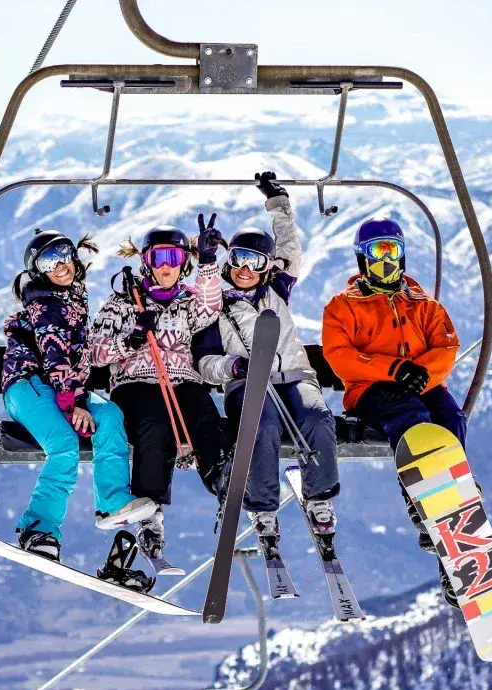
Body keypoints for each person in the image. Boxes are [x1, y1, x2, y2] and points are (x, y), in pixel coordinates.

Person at [194, 172, 340, 560]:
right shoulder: (215, 305)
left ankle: (320, 498)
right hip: (248, 385)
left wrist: (278, 203)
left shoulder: (276, 289)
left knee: (317, 418)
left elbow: (291, 247)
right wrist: (233, 368)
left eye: (254, 261)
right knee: (263, 426)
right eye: (238, 258)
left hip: (295, 376)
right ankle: (263, 508)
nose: (245, 268)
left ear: (266, 265)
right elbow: (203, 364)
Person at [1, 229, 157, 567]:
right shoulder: (44, 304)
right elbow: (55, 355)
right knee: (64, 446)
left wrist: (81, 395)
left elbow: (80, 356)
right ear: (38, 271)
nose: (59, 265)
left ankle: (113, 501)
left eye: (62, 253)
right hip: (28, 386)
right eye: (48, 261)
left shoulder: (74, 297)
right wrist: (74, 404)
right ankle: (38, 529)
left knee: (111, 415)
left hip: (67, 387)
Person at [322, 217, 465, 556]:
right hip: (371, 390)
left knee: (451, 417)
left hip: (419, 384)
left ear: (402, 255)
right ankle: (422, 500)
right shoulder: (344, 306)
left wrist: (420, 375)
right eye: (377, 251)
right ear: (363, 258)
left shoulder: (422, 303)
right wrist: (393, 370)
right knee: (411, 417)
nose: (386, 260)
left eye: (392, 250)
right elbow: (339, 356)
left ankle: (454, 492)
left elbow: (446, 347)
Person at [90, 217, 225, 568]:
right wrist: (130, 339)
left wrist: (209, 263)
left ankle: (222, 479)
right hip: (137, 382)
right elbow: (94, 352)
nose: (166, 267)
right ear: (145, 262)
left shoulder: (187, 300)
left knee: (206, 418)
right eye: (158, 258)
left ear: (185, 263)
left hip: (183, 380)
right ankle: (149, 510)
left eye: (175, 258)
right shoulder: (123, 303)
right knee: (154, 425)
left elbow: (211, 308)